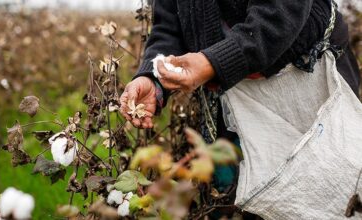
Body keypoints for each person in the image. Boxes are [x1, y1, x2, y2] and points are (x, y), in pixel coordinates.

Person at [119, 0, 360, 218]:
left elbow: (283, 12)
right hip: (231, 101)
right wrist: (154, 77)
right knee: (233, 197)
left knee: (327, 193)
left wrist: (214, 62)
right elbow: (169, 28)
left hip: (305, 86)